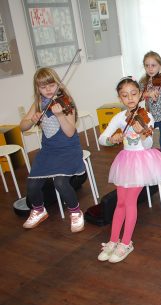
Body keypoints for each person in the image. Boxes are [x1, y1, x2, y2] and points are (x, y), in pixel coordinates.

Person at [97, 77, 161, 263]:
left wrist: (141, 132)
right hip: (126, 161)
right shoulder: (119, 117)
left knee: (130, 200)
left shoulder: (146, 115)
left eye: (133, 94)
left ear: (140, 94)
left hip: (143, 160)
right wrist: (111, 140)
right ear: (120, 98)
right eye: (125, 95)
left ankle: (126, 242)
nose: (130, 98)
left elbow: (148, 144)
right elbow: (102, 138)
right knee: (120, 202)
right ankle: (113, 240)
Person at [19, 68, 85, 232]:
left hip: (69, 149)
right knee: (32, 184)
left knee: (60, 182)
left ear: (58, 84)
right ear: (37, 89)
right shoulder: (38, 104)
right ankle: (39, 210)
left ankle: (75, 212)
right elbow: (22, 126)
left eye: (51, 85)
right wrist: (32, 120)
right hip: (49, 150)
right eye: (43, 87)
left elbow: (70, 133)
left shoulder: (65, 102)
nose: (48, 89)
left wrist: (60, 116)